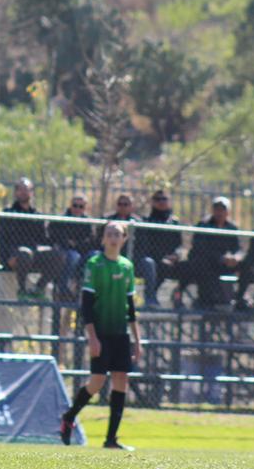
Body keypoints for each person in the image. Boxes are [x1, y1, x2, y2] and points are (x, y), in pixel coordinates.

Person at [59, 221, 143, 450]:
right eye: (109, 234)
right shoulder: (95, 264)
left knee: (121, 380)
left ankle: (111, 439)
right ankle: (69, 416)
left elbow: (130, 307)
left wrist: (137, 340)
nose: (113, 237)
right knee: (97, 382)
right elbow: (86, 305)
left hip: (120, 334)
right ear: (103, 239)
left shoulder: (127, 266)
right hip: (101, 333)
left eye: (118, 234)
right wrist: (92, 337)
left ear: (124, 239)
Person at [0, 178, 55, 298]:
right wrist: (5, 258)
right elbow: (1, 238)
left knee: (58, 254)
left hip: (33, 254)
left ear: (32, 192)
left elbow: (44, 239)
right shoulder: (8, 213)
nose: (23, 192)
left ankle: (38, 289)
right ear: (15, 193)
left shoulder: (37, 215)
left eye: (27, 189)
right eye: (20, 189)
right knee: (24, 253)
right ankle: (22, 290)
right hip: (14, 256)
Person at [179, 196, 240, 309]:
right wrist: (221, 258)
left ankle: (240, 300)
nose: (219, 212)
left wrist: (235, 257)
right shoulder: (204, 225)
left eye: (222, 209)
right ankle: (206, 302)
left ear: (228, 211)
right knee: (205, 266)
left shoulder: (232, 227)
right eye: (217, 209)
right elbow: (201, 248)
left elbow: (237, 248)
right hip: (205, 262)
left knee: (246, 266)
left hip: (223, 263)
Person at [134, 190, 182, 308]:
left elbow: (179, 245)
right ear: (152, 202)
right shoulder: (146, 221)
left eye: (164, 199)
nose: (161, 202)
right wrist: (162, 257)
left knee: (188, 266)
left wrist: (176, 255)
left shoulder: (174, 222)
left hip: (171, 259)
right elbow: (145, 246)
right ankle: (151, 296)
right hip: (154, 259)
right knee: (159, 265)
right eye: (157, 199)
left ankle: (178, 296)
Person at [46, 195, 95, 301]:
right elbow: (54, 236)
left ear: (84, 208)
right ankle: (63, 287)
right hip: (65, 254)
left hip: (82, 253)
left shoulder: (87, 222)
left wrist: (75, 244)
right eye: (75, 205)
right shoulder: (61, 219)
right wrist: (69, 243)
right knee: (74, 256)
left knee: (95, 255)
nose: (77, 209)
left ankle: (92, 290)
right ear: (70, 205)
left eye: (81, 206)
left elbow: (90, 241)